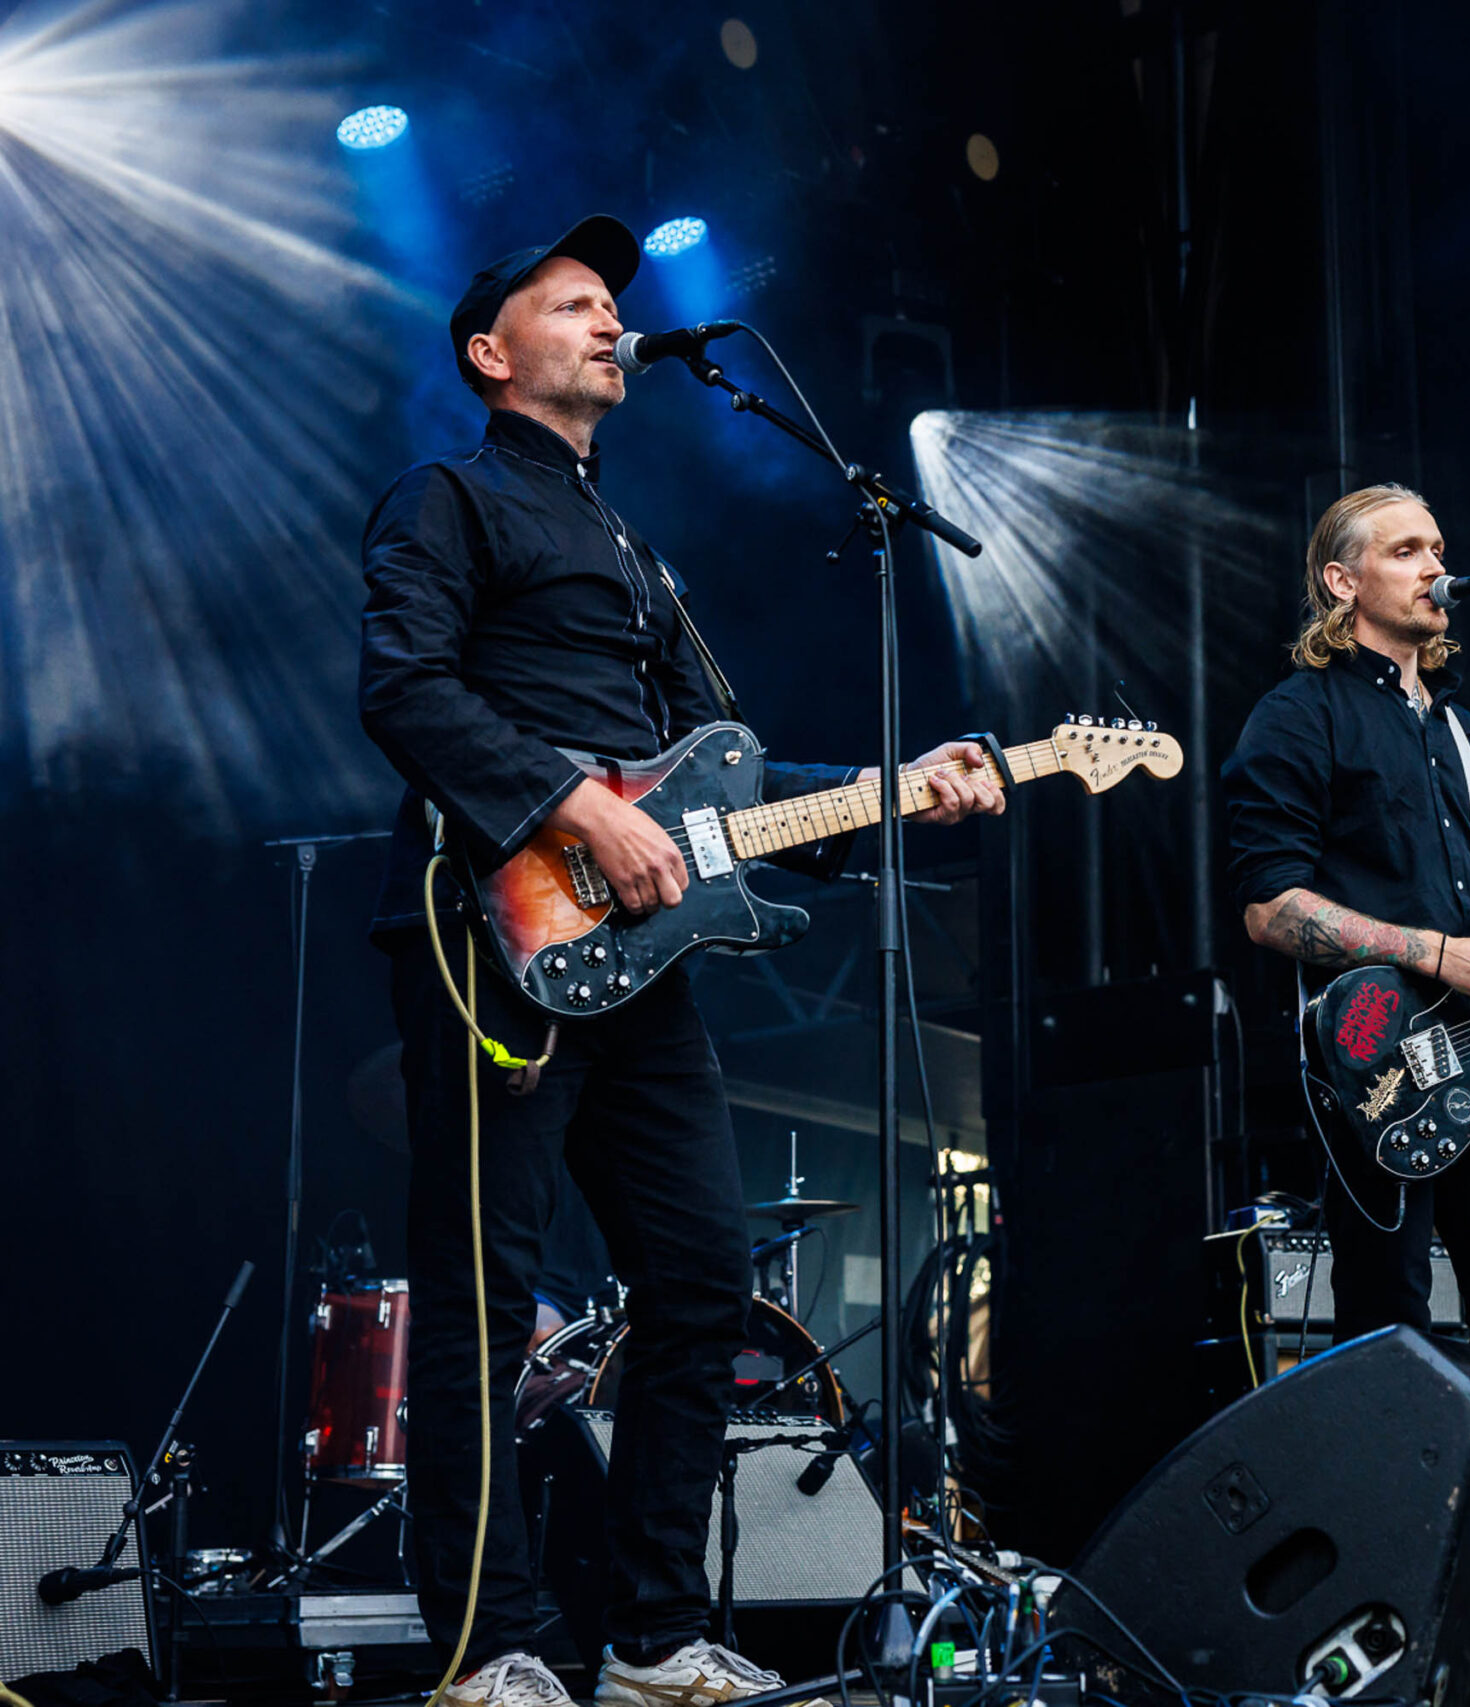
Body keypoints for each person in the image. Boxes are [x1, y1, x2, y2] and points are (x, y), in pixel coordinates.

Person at [357, 216, 1004, 1707]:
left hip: (638, 966)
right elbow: (402, 685)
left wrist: (905, 781)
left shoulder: (640, 556)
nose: (607, 322)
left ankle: (650, 1636)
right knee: (480, 1291)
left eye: (610, 306)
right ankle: (483, 1647)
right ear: (488, 350)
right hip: (487, 932)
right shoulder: (444, 497)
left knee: (703, 1273)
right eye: (570, 304)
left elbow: (725, 788)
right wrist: (574, 802)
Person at [1223, 483, 1470, 1365]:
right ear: (1342, 582)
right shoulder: (1298, 717)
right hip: (1376, 1063)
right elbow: (1270, 908)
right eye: (1407, 550)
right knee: (1390, 1324)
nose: (1436, 568)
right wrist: (1436, 953)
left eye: (1439, 549)